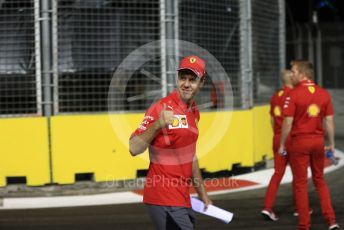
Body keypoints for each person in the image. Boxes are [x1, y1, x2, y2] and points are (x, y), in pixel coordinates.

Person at [129, 55, 212, 230]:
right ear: (177, 79)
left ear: (202, 82)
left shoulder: (194, 112)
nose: (186, 84)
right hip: (163, 197)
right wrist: (158, 124)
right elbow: (133, 148)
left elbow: (191, 156)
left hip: (182, 197)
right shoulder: (161, 107)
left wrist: (202, 194)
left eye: (192, 79)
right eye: (183, 78)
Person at [279, 60, 340, 230]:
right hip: (318, 142)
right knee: (320, 180)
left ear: (302, 74)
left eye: (294, 71)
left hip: (300, 143)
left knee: (300, 184)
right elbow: (329, 121)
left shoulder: (293, 94)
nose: (291, 74)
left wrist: (282, 144)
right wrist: (332, 144)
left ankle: (304, 225)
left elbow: (287, 123)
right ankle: (332, 220)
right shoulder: (323, 93)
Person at [261, 70, 294, 221]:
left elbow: (272, 119)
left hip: (277, 137)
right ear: (291, 79)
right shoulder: (295, 94)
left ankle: (267, 207)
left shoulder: (276, 96)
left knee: (277, 174)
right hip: (292, 138)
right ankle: (302, 208)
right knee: (299, 176)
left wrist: (277, 134)